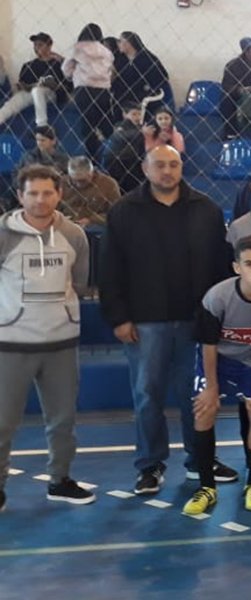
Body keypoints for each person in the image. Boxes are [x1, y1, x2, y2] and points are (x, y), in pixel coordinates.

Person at [100, 145, 233, 495]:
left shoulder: (206, 209)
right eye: (159, 165)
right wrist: (119, 317)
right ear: (145, 169)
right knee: (147, 396)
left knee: (196, 395)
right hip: (145, 323)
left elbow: (221, 269)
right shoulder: (124, 211)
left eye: (173, 164)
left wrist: (217, 318)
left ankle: (201, 459)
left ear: (181, 167)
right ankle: (149, 465)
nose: (167, 171)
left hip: (196, 322)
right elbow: (109, 269)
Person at [0, 166, 95, 511]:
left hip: (61, 343)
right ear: (20, 196)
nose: (40, 200)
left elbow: (80, 283)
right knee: (3, 422)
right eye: (33, 193)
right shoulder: (3, 234)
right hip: (11, 344)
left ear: (60, 194)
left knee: (62, 420)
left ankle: (60, 480)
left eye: (47, 193)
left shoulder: (74, 235)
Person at [183, 235, 251, 515]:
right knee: (204, 410)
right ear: (237, 267)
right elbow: (208, 346)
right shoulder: (217, 297)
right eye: (250, 264)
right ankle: (206, 487)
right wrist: (211, 388)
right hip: (217, 359)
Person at [62, 24, 115, 158]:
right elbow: (110, 70)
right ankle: (112, 153)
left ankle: (92, 158)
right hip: (103, 91)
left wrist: (72, 76)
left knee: (88, 126)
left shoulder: (78, 48)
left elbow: (66, 68)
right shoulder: (106, 51)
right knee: (105, 125)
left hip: (84, 90)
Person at [0, 33, 69, 128]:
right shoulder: (29, 65)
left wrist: (53, 85)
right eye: (35, 45)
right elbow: (22, 85)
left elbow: (68, 87)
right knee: (16, 100)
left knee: (38, 91)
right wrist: (23, 86)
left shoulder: (58, 64)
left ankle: (42, 125)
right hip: (31, 93)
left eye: (40, 45)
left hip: (51, 94)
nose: (36, 48)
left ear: (49, 45)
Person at [112, 32, 170, 113]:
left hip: (144, 95)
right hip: (123, 95)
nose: (118, 44)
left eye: (120, 41)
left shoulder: (147, 58)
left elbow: (162, 77)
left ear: (128, 44)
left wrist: (146, 89)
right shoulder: (121, 59)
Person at [61, 156, 120, 227]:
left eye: (82, 181)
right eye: (73, 180)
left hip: (95, 227)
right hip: (65, 224)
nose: (78, 184)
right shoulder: (62, 182)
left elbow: (116, 213)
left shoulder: (108, 184)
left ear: (92, 173)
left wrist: (91, 220)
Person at [103, 102, 147, 193]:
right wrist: (141, 132)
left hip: (132, 164)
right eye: (134, 114)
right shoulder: (120, 125)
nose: (137, 117)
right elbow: (121, 136)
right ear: (125, 114)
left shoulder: (139, 127)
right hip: (117, 165)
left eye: (139, 114)